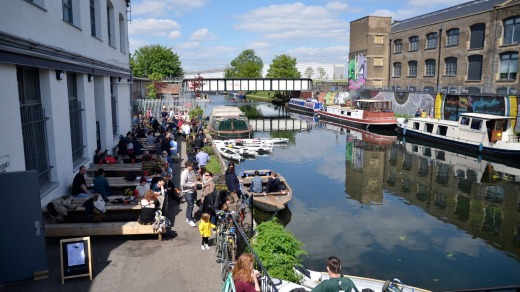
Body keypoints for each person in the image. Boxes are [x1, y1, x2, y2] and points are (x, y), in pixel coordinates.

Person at [180, 161, 197, 227]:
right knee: (191, 205)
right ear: (188, 166)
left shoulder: (188, 172)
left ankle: (188, 217)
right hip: (187, 192)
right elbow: (182, 184)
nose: (192, 167)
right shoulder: (185, 173)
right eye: (192, 166)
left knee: (190, 205)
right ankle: (190, 220)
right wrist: (192, 185)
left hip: (190, 191)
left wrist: (193, 186)